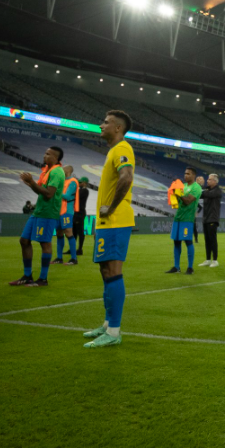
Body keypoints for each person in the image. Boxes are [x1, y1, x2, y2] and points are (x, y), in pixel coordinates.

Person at [81, 110, 135, 348]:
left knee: (113, 272)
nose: (100, 124)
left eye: (106, 122)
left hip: (116, 219)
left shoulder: (123, 148)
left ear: (118, 128)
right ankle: (107, 324)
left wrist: (111, 207)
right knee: (105, 272)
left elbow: (127, 177)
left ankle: (113, 332)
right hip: (107, 222)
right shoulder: (113, 151)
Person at [10, 146, 65, 288]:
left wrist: (33, 183)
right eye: (45, 153)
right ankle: (27, 276)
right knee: (24, 240)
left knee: (44, 244)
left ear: (55, 158)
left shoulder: (57, 172)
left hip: (48, 213)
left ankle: (43, 279)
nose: (44, 155)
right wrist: (31, 183)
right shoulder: (47, 171)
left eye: (48, 154)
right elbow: (40, 192)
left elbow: (48, 194)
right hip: (38, 212)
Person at [167, 167, 202, 275]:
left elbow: (187, 201)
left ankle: (190, 267)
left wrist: (179, 194)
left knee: (188, 242)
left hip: (187, 219)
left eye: (188, 174)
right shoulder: (183, 186)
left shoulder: (197, 188)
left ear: (193, 175)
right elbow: (179, 201)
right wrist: (173, 194)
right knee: (176, 242)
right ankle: (176, 267)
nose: (185, 175)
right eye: (185, 173)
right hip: (178, 217)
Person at [52, 165, 79, 265]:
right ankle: (59, 258)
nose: (62, 170)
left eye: (64, 169)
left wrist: (55, 192)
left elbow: (67, 196)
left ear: (68, 171)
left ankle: (73, 259)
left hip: (67, 211)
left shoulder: (72, 181)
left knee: (68, 233)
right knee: (59, 233)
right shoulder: (62, 181)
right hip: (58, 211)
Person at [199, 174, 223, 267]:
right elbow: (200, 194)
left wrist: (199, 186)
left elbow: (206, 194)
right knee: (207, 240)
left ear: (215, 181)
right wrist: (198, 186)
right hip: (206, 218)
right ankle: (208, 259)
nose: (207, 181)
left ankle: (215, 260)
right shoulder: (208, 190)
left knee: (212, 239)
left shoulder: (217, 191)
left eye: (209, 179)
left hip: (213, 218)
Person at [74, 177, 90, 257]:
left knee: (80, 232)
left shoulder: (85, 191)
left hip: (80, 213)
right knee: (74, 232)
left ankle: (80, 249)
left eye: (80, 182)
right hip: (76, 212)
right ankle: (73, 249)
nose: (79, 183)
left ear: (84, 183)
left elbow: (76, 197)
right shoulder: (80, 190)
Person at [194, 175, 205, 243]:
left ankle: (196, 239)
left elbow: (200, 206)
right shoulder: (194, 189)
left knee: (193, 226)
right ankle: (185, 237)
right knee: (187, 225)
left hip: (193, 210)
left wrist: (197, 212)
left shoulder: (202, 191)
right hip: (190, 210)